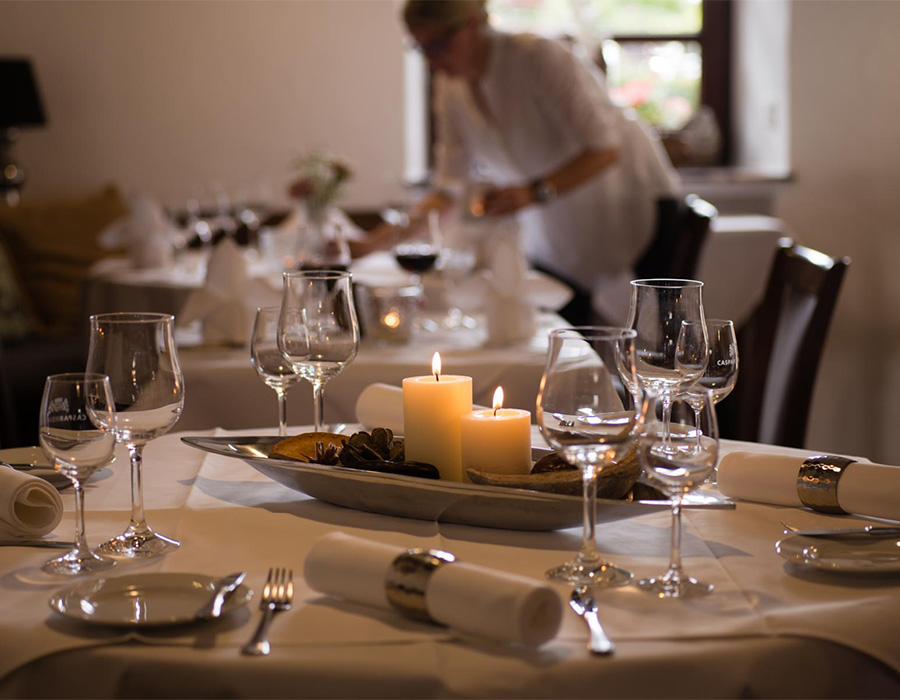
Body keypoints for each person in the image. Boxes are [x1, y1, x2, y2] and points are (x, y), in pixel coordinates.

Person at [357, 0, 679, 325]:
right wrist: (369, 245)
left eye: (437, 45)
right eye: (421, 48)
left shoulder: (536, 57)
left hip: (634, 202)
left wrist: (531, 193)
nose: (431, 60)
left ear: (471, 25)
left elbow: (605, 149)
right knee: (572, 328)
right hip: (558, 229)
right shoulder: (449, 87)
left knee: (653, 332)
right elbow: (447, 191)